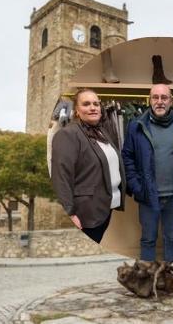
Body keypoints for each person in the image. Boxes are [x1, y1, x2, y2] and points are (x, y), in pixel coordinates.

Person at [122, 84, 173, 262]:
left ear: (171, 101)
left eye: (164, 98)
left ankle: (171, 280)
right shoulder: (135, 126)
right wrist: (136, 187)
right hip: (147, 196)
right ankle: (146, 280)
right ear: (149, 100)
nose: (159, 101)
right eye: (155, 97)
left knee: (172, 239)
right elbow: (127, 157)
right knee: (148, 240)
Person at [50, 89, 124, 243]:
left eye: (96, 104)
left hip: (105, 207)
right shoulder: (68, 134)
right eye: (86, 104)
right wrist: (69, 213)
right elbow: (61, 176)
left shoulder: (103, 132)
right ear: (77, 110)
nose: (93, 107)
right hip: (86, 212)